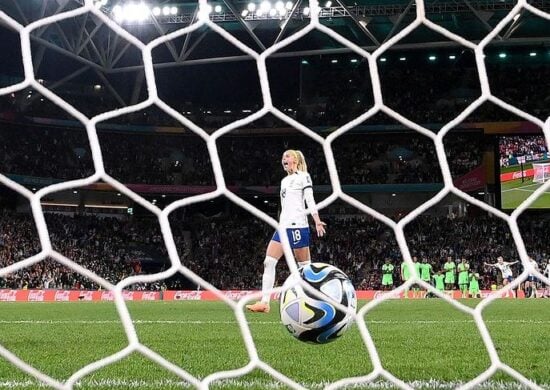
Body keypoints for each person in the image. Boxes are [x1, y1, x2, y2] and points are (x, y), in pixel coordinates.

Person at [246, 150, 326, 313]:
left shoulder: (304, 177)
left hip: (298, 226)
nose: (284, 159)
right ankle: (264, 302)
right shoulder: (284, 181)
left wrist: (316, 220)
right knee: (269, 262)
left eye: (287, 156)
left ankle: (315, 298)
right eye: (283, 157)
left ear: (295, 160)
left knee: (304, 267)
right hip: (283, 227)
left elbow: (309, 199)